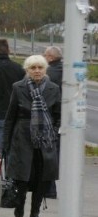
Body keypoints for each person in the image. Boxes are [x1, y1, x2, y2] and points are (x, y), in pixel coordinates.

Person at [2, 55, 61, 217]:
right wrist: (6, 142)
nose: (37, 71)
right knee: (22, 176)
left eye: (40, 68)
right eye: (33, 68)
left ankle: (35, 212)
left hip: (45, 140)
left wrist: (53, 132)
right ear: (27, 70)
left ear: (45, 69)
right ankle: (19, 202)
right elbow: (10, 117)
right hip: (23, 137)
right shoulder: (18, 87)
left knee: (42, 177)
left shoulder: (53, 88)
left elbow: (58, 115)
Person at [42, 45, 63, 199]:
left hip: (50, 118)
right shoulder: (65, 70)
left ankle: (49, 188)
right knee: (54, 154)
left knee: (48, 154)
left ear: (50, 57)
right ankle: (50, 188)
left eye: (45, 55)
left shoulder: (50, 73)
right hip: (61, 118)